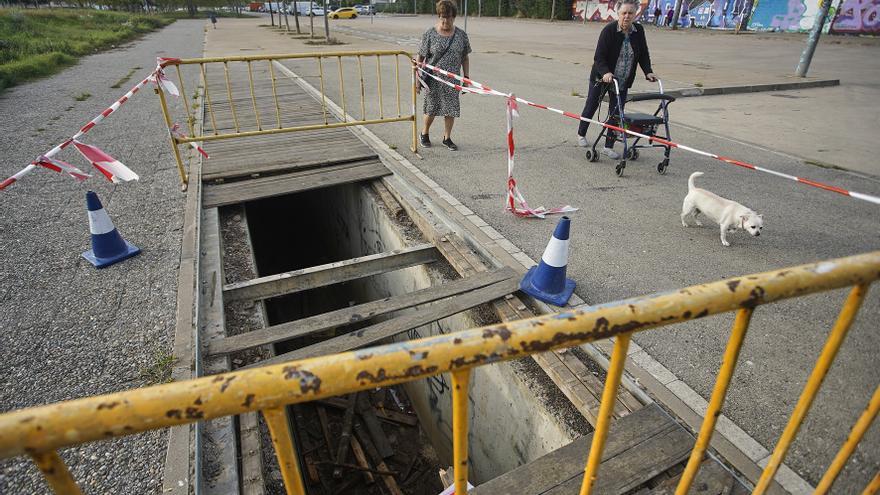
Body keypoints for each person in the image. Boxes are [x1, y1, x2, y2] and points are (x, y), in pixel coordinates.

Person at [576, 0, 657, 159]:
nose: (627, 16)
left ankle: (608, 146)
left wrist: (648, 71)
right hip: (603, 77)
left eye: (630, 13)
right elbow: (599, 56)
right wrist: (605, 72)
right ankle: (581, 133)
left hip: (622, 80)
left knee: (616, 113)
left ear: (635, 14)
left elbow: (643, 53)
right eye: (624, 13)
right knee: (592, 104)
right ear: (618, 14)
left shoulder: (638, 31)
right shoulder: (609, 31)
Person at [416, 0, 472, 151]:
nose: (445, 20)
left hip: (452, 81)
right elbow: (420, 58)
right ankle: (424, 133)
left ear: (454, 17)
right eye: (442, 17)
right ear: (438, 16)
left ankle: (447, 138)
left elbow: (465, 57)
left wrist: (466, 78)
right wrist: (417, 79)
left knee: (451, 109)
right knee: (431, 109)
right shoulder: (430, 34)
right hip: (432, 80)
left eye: (448, 17)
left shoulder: (461, 35)